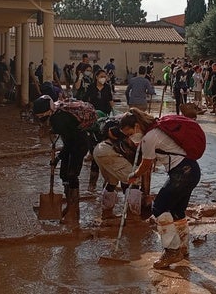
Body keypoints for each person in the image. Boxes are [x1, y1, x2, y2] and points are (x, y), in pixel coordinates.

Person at [119, 108, 201, 269]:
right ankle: (182, 248)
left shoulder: (149, 137)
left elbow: (146, 164)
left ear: (136, 126)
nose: (130, 138)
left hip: (181, 173)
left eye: (129, 133)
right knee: (177, 211)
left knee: (159, 208)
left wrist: (134, 174)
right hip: (192, 170)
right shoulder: (156, 130)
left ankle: (172, 251)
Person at [33, 95, 88, 224]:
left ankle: (74, 212)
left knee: (72, 175)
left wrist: (58, 157)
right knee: (64, 175)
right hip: (71, 144)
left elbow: (70, 144)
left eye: (41, 115)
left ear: (48, 111)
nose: (40, 118)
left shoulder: (59, 119)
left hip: (79, 146)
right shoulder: (56, 115)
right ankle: (69, 207)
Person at [92, 117, 141, 220]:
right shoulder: (128, 132)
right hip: (108, 152)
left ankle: (106, 214)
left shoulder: (118, 126)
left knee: (112, 182)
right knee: (134, 179)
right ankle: (133, 216)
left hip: (99, 150)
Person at [86, 69, 115, 191]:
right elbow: (86, 102)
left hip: (105, 119)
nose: (104, 78)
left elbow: (110, 101)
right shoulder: (91, 87)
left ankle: (107, 183)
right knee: (94, 151)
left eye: (105, 76)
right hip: (93, 120)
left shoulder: (107, 87)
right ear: (96, 77)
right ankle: (92, 184)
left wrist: (114, 113)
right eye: (102, 76)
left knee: (106, 150)